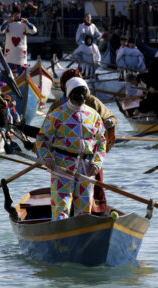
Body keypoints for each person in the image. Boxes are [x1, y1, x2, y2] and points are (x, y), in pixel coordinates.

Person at [35, 75, 106, 220]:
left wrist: (97, 163)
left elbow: (101, 142)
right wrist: (47, 157)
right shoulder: (56, 115)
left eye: (82, 97)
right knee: (61, 208)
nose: (80, 100)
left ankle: (81, 237)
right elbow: (41, 138)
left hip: (86, 169)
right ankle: (59, 233)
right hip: (62, 167)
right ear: (69, 95)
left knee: (85, 211)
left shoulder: (94, 116)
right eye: (77, 97)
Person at [0, 5, 38, 72]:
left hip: (20, 53)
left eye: (18, 14)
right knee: (7, 70)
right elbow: (0, 31)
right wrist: (7, 22)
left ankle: (22, 81)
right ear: (12, 14)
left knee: (22, 72)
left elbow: (34, 31)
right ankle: (4, 82)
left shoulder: (24, 24)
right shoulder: (8, 23)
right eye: (15, 14)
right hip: (10, 52)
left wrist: (28, 23)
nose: (17, 15)